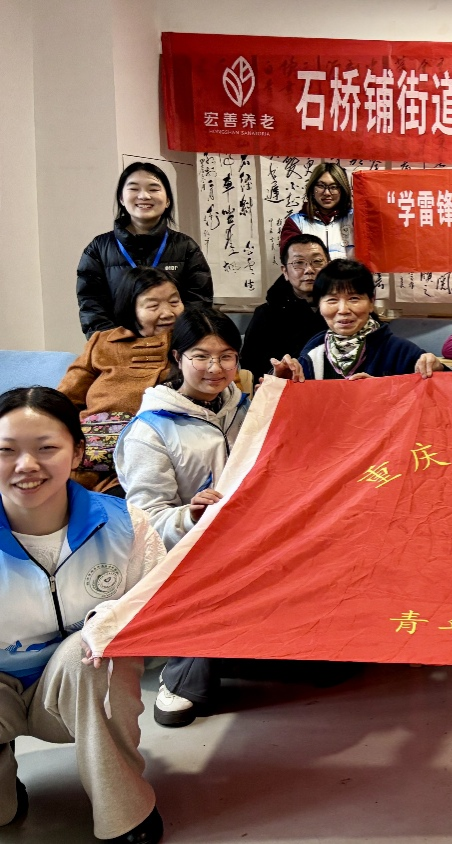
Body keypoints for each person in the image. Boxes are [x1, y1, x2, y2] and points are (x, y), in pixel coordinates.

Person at [0, 387, 166, 843]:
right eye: (6, 451)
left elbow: (157, 606)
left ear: (77, 453)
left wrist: (110, 620)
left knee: (95, 651)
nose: (26, 465)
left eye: (46, 448)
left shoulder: (125, 524)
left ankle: (124, 808)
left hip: (78, 686)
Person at [114, 306, 250, 727]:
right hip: (191, 549)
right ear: (177, 358)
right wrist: (190, 515)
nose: (216, 368)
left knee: (329, 672)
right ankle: (183, 673)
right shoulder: (151, 429)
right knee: (211, 571)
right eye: (201, 356)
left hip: (252, 537)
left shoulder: (245, 407)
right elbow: (145, 520)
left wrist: (291, 390)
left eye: (226, 356)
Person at [59, 267, 185, 492]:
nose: (167, 313)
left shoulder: (193, 344)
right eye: (153, 306)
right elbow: (63, 400)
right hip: (90, 452)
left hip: (153, 456)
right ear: (130, 308)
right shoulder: (102, 342)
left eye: (174, 302)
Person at [76, 162, 212, 338]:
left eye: (153, 189)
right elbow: (91, 304)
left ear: (168, 200)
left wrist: (180, 341)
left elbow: (199, 303)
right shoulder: (98, 249)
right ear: (121, 198)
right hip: (119, 347)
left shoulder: (186, 247)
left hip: (175, 346)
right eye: (134, 189)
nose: (144, 196)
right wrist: (115, 341)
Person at [271, 260, 445, 381]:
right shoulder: (313, 352)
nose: (343, 310)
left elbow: (442, 393)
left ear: (371, 302)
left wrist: (438, 369)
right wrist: (280, 380)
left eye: (354, 298)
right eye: (332, 300)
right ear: (319, 305)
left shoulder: (399, 351)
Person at [239, 234, 330, 383]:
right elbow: (251, 365)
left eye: (317, 261)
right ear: (285, 272)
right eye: (298, 263)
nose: (309, 270)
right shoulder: (267, 314)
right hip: (286, 389)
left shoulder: (343, 309)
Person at [278, 162, 355, 262]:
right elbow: (292, 261)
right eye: (321, 186)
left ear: (343, 190)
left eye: (334, 187)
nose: (327, 193)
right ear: (312, 189)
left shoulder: (355, 219)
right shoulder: (295, 222)